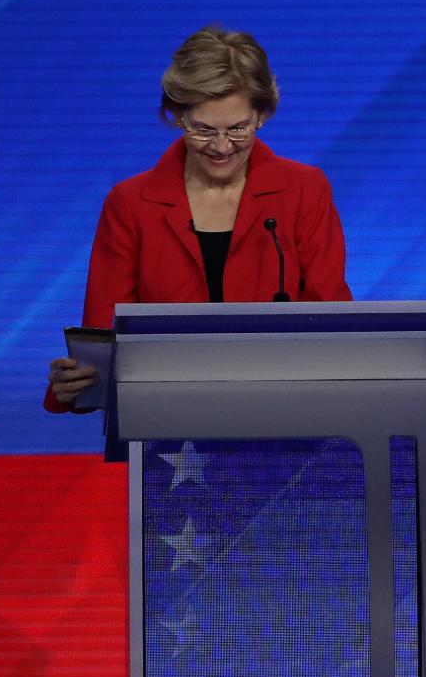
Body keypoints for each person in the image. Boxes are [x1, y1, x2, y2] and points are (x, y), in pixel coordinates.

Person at [45, 26, 352, 414]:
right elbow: (104, 338)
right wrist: (75, 384)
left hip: (286, 419)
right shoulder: (131, 203)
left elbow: (332, 321)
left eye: (239, 127)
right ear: (177, 115)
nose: (222, 147)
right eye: (203, 129)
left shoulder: (305, 190)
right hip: (168, 431)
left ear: (262, 113)